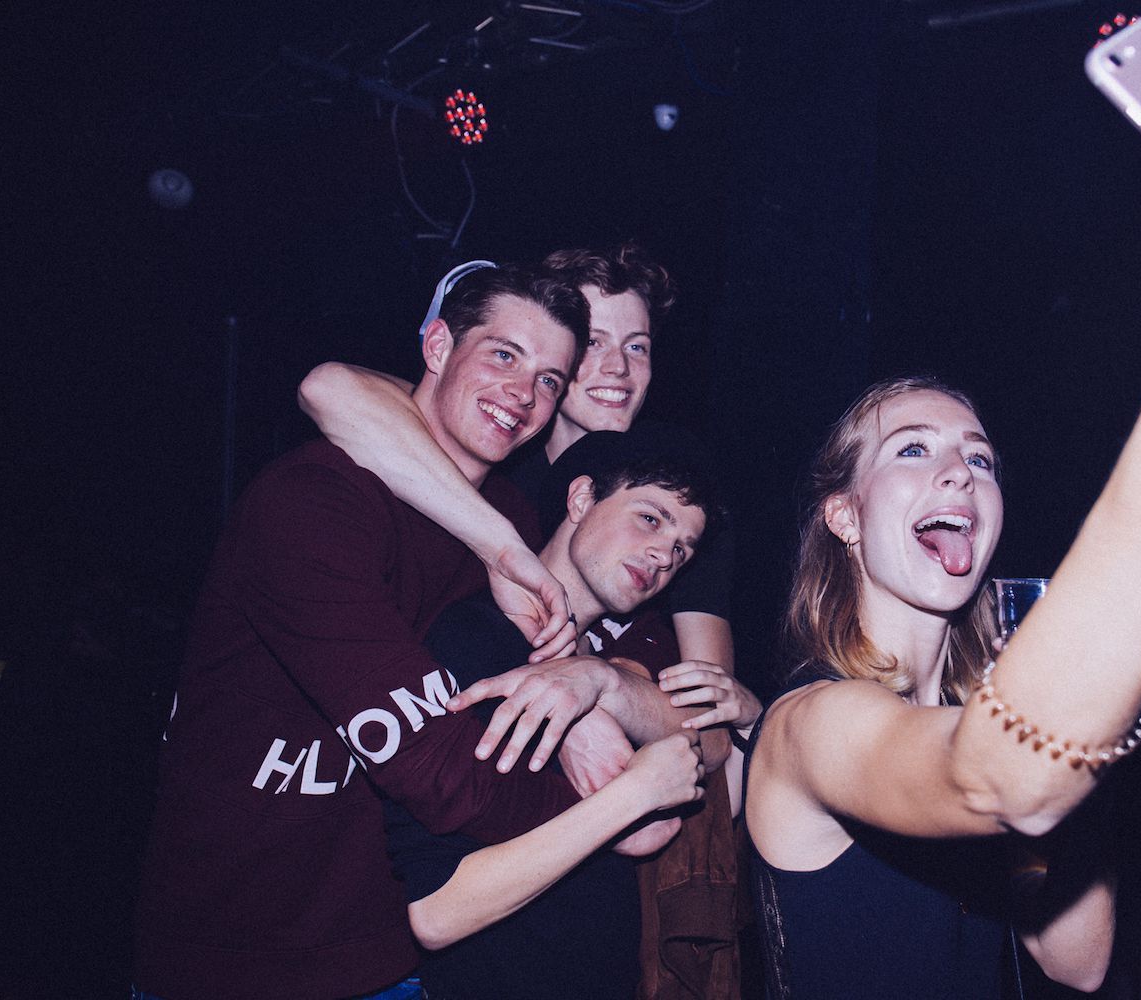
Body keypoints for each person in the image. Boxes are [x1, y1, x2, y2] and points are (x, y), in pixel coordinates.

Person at [743, 24, 1141, 999]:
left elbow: (1077, 961)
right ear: (845, 518)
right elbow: (998, 780)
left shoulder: (972, 722)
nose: (959, 473)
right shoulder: (810, 725)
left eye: (979, 458)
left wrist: (1073, 709)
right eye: (912, 450)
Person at [133, 264, 600, 1000]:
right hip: (233, 959)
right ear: (438, 347)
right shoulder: (313, 502)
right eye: (504, 354)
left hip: (392, 958)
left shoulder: (512, 516)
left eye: (549, 379)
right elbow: (434, 766)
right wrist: (614, 804)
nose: (523, 392)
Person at [386, 440, 728, 1000]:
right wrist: (636, 794)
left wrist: (603, 680)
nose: (664, 555)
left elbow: (711, 743)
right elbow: (437, 911)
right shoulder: (472, 641)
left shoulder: (609, 658)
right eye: (650, 518)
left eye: (681, 550)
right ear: (581, 499)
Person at [297, 242, 736, 674]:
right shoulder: (496, 457)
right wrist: (502, 547)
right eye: (593, 342)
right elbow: (331, 388)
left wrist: (618, 679)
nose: (618, 367)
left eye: (637, 346)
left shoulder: (672, 485)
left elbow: (709, 694)